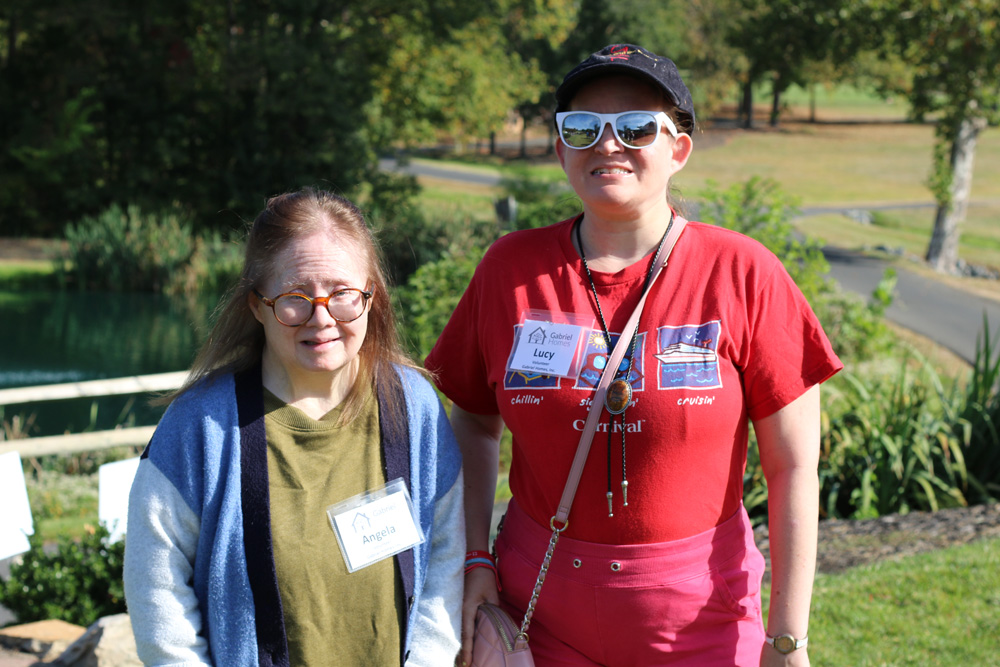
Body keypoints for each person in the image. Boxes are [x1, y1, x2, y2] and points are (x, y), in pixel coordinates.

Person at [426, 44, 842, 666]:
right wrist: (474, 558)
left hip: (702, 622)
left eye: (636, 126)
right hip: (537, 617)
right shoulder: (509, 270)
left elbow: (793, 466)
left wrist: (787, 638)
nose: (607, 143)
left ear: (679, 149)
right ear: (561, 148)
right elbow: (473, 426)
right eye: (582, 127)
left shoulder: (743, 271)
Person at [124, 188, 464, 666]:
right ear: (257, 305)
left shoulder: (413, 406)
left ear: (371, 296)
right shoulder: (200, 426)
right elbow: (156, 587)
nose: (321, 318)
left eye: (343, 295)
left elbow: (445, 556)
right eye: (295, 298)